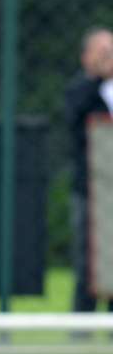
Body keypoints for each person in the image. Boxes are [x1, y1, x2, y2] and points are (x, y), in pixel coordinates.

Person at [65, 26, 113, 319]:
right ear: (86, 57)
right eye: (103, 51)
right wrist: (98, 78)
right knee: (88, 257)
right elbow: (78, 119)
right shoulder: (80, 90)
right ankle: (81, 323)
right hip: (92, 188)